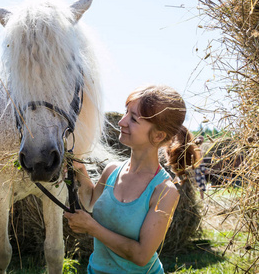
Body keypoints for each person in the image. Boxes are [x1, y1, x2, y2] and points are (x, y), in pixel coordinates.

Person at [64, 85, 199, 274]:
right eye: (125, 113)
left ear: (158, 135)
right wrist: (79, 169)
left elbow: (141, 256)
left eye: (133, 119)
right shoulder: (112, 170)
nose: (121, 121)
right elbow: (90, 202)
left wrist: (91, 227)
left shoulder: (164, 191)